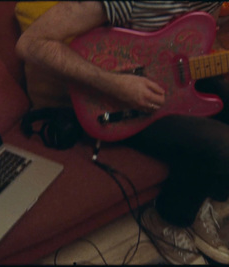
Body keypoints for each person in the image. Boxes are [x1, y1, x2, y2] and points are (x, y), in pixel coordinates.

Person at [16, 1, 229, 265]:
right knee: (224, 147)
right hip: (120, 104)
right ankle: (166, 218)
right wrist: (116, 85)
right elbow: (31, 43)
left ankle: (199, 199)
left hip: (179, 79)